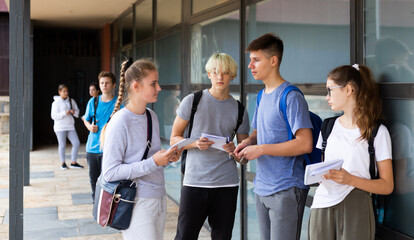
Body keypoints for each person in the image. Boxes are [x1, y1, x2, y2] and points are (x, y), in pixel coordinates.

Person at [234, 33, 313, 240]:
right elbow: (260, 133)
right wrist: (247, 143)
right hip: (262, 187)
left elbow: (305, 143)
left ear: (273, 60)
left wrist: (260, 149)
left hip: (286, 187)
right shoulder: (261, 95)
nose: (250, 65)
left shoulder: (291, 97)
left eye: (256, 60)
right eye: (250, 60)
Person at [308, 64, 394, 240]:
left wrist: (350, 179)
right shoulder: (328, 126)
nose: (327, 97)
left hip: (357, 206)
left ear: (348, 89)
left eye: (330, 90)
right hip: (322, 203)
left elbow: (387, 185)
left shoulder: (378, 132)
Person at [172, 53, 250, 240]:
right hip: (194, 181)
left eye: (225, 73)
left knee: (222, 237)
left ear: (232, 75)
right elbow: (174, 138)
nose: (220, 77)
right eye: (215, 72)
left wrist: (235, 151)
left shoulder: (239, 110)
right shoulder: (192, 101)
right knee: (184, 236)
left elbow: (244, 157)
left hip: (227, 184)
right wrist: (194, 143)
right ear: (208, 74)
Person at [101, 58, 180, 240]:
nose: (159, 88)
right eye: (153, 83)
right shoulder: (120, 122)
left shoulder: (152, 116)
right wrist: (154, 162)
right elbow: (110, 172)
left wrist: (167, 158)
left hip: (159, 199)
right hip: (135, 203)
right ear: (136, 86)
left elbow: (152, 161)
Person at [82, 71, 117, 200]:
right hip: (92, 147)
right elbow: (85, 119)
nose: (104, 85)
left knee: (108, 179)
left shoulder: (119, 104)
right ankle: (95, 204)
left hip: (110, 148)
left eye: (107, 83)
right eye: (102, 83)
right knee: (93, 179)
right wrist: (89, 126)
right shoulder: (93, 101)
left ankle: (106, 206)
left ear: (113, 85)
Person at [51, 84, 83, 170]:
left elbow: (77, 112)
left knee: (76, 143)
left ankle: (73, 162)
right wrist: (65, 113)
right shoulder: (55, 103)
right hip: (60, 127)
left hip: (70, 126)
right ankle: (63, 163)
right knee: (62, 145)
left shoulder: (71, 101)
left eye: (67, 91)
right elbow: (53, 116)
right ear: (59, 92)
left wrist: (73, 112)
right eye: (64, 91)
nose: (66, 93)